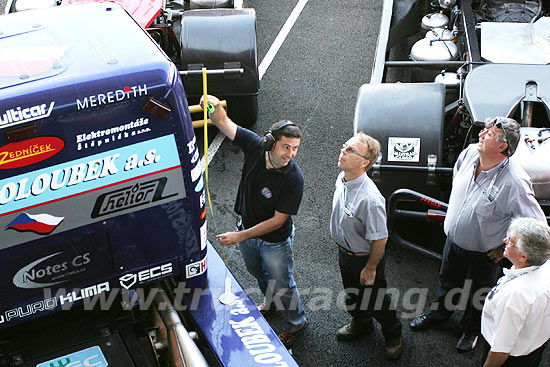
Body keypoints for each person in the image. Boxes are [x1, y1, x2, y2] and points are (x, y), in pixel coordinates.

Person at [409, 117, 546, 353]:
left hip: (484, 253)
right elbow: (457, 179)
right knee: (447, 280)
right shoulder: (470, 153)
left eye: (489, 133)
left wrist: (505, 248)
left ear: (503, 147)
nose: (481, 134)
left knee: (479, 294)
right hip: (453, 242)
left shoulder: (514, 182)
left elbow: (536, 224)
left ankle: (472, 330)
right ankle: (439, 314)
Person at [200, 95, 308, 348]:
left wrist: (240, 236)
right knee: (258, 272)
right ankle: (270, 303)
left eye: (295, 149)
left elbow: (278, 221)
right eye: (286, 147)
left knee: (283, 284)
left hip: (274, 242)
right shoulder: (255, 145)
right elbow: (223, 121)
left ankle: (296, 323)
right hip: (247, 231)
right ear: (271, 142)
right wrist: (210, 103)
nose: (290, 154)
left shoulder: (294, 178)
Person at [330, 132, 403, 360]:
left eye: (351, 150)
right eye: (345, 146)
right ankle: (361, 323)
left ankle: (393, 334)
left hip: (364, 258)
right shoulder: (342, 179)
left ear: (364, 163)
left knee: (376, 300)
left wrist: (370, 268)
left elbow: (380, 239)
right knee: (353, 294)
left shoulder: (370, 199)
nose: (343, 151)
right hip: (345, 254)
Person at [481, 217, 550, 367]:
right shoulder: (545, 266)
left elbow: (500, 351)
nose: (505, 240)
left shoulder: (515, 297)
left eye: (511, 241)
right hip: (533, 348)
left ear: (524, 256)